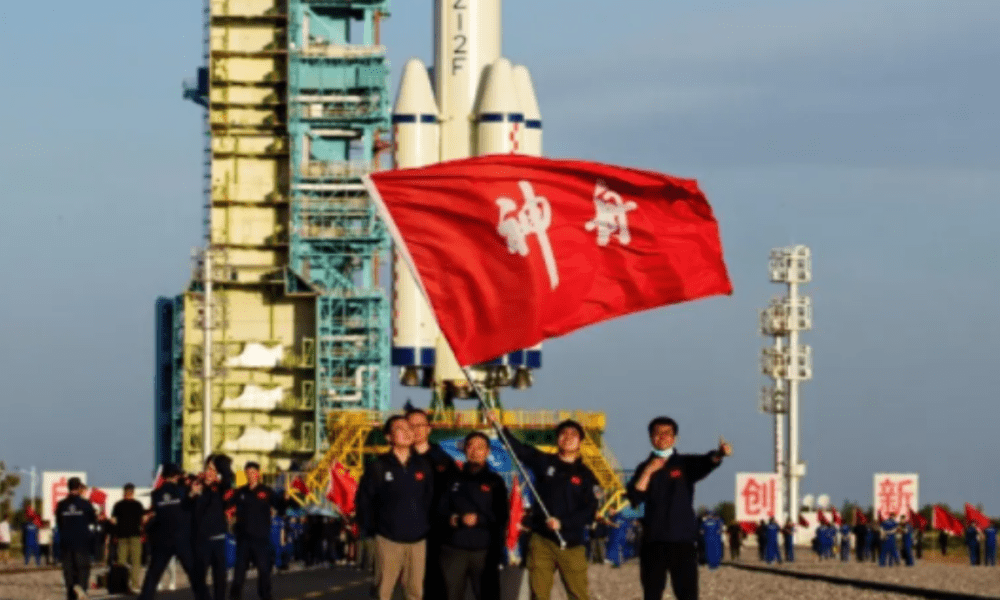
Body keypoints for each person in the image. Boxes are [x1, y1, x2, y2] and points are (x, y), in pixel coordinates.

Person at [626, 416, 731, 600]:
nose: (662, 437)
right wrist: (649, 471)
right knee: (651, 594)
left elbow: (707, 462)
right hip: (653, 541)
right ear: (651, 437)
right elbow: (635, 497)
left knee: (688, 594)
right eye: (657, 433)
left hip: (682, 541)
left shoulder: (684, 464)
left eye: (667, 433)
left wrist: (719, 454)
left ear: (675, 438)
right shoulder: (643, 467)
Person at [502, 418, 599, 600]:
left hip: (571, 542)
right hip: (541, 539)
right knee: (539, 594)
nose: (568, 438)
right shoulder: (544, 462)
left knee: (578, 594)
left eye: (573, 435)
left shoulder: (587, 476)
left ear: (580, 441)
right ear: (557, 439)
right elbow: (521, 450)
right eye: (563, 434)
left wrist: (563, 523)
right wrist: (501, 429)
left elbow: (589, 511)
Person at [355, 415, 435, 600]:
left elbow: (430, 499)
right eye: (400, 429)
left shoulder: (424, 465)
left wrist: (426, 527)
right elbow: (364, 501)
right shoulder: (378, 466)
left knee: (415, 592)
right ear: (389, 437)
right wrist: (371, 532)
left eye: (409, 428)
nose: (408, 432)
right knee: (383, 591)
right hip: (387, 540)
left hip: (418, 540)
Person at [437, 431, 508, 600]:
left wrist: (480, 519)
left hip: (484, 550)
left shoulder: (495, 481)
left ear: (488, 452)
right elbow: (439, 511)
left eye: (480, 447)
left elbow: (501, 516)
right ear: (464, 450)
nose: (475, 451)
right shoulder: (450, 478)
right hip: (454, 549)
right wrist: (456, 520)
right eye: (471, 446)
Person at [406, 408, 459, 600]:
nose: (416, 430)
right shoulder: (398, 459)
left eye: (420, 425)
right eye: (411, 426)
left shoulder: (443, 461)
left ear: (429, 429)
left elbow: (454, 494)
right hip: (404, 531)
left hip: (435, 532)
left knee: (435, 582)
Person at [137, 464, 205, 600]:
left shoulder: (155, 494)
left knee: (153, 575)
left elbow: (158, 512)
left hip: (163, 540)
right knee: (193, 573)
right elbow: (192, 503)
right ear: (176, 475)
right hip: (182, 539)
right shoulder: (183, 490)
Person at [229, 462, 286, 600]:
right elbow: (228, 505)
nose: (250, 476)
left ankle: (265, 596)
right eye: (247, 473)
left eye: (253, 472)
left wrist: (285, 500)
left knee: (264, 571)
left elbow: (280, 507)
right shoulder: (240, 492)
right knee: (239, 574)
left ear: (258, 474)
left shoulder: (266, 491)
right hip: (243, 539)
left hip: (260, 538)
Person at [190, 454, 234, 600]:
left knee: (220, 578)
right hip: (201, 540)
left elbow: (228, 479)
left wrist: (220, 463)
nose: (210, 472)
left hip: (219, 538)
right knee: (199, 578)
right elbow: (185, 507)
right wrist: (192, 494)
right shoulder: (196, 485)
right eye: (208, 468)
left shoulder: (220, 488)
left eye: (213, 469)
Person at [55, 477, 97, 600]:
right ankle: (81, 589)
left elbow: (59, 523)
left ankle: (71, 593)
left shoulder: (61, 505)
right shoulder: (85, 504)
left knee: (68, 572)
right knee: (83, 569)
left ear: (68, 487)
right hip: (82, 542)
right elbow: (92, 522)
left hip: (66, 542)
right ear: (79, 488)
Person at [110, 483, 145, 592]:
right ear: (133, 492)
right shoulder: (138, 505)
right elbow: (143, 520)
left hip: (121, 537)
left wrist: (114, 534)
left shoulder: (118, 505)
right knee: (135, 562)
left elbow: (113, 521)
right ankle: (134, 585)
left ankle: (121, 585)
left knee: (121, 562)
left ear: (124, 492)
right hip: (135, 535)